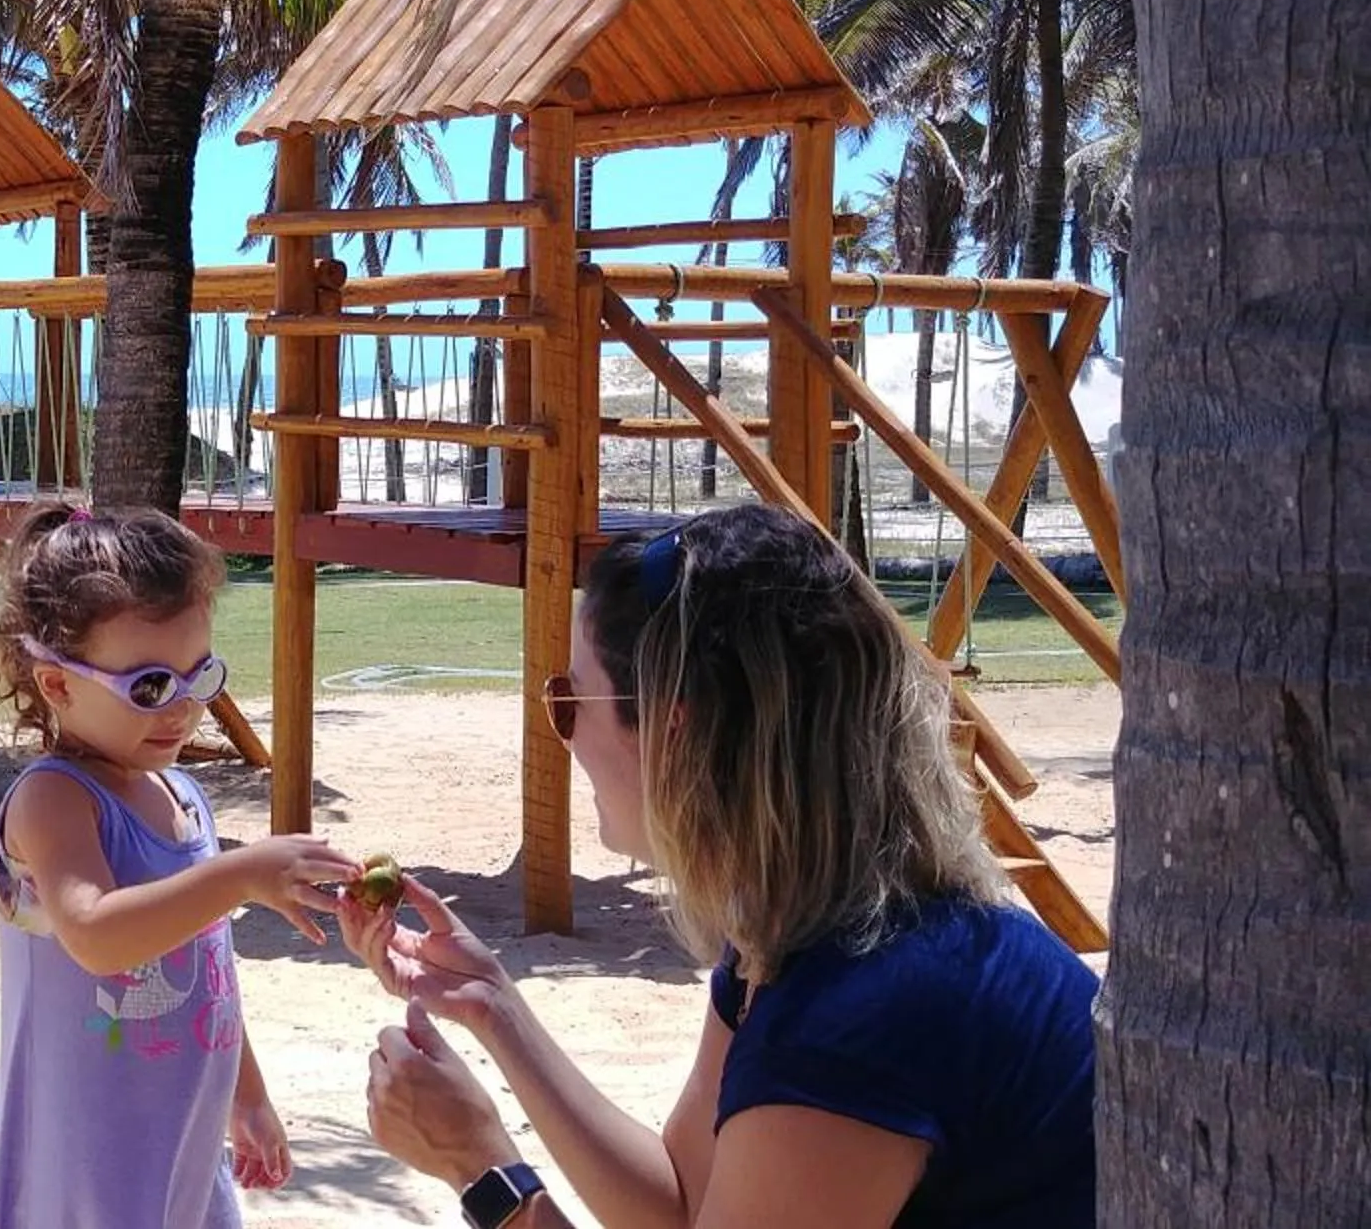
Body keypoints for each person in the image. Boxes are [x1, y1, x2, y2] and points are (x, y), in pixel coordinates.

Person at [341, 503, 1100, 1229]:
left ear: (677, 729)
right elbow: (680, 1201)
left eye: (570, 700)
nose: (562, 736)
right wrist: (492, 1006)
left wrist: (482, 1167)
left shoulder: (855, 1023)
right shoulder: (811, 929)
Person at [0, 502, 360, 1228]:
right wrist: (240, 874)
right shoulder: (54, 800)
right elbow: (95, 934)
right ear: (58, 685)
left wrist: (246, 1096)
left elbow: (210, 973)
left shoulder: (181, 795)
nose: (183, 709)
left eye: (200, 676)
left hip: (187, 1144)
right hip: (92, 1159)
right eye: (150, 687)